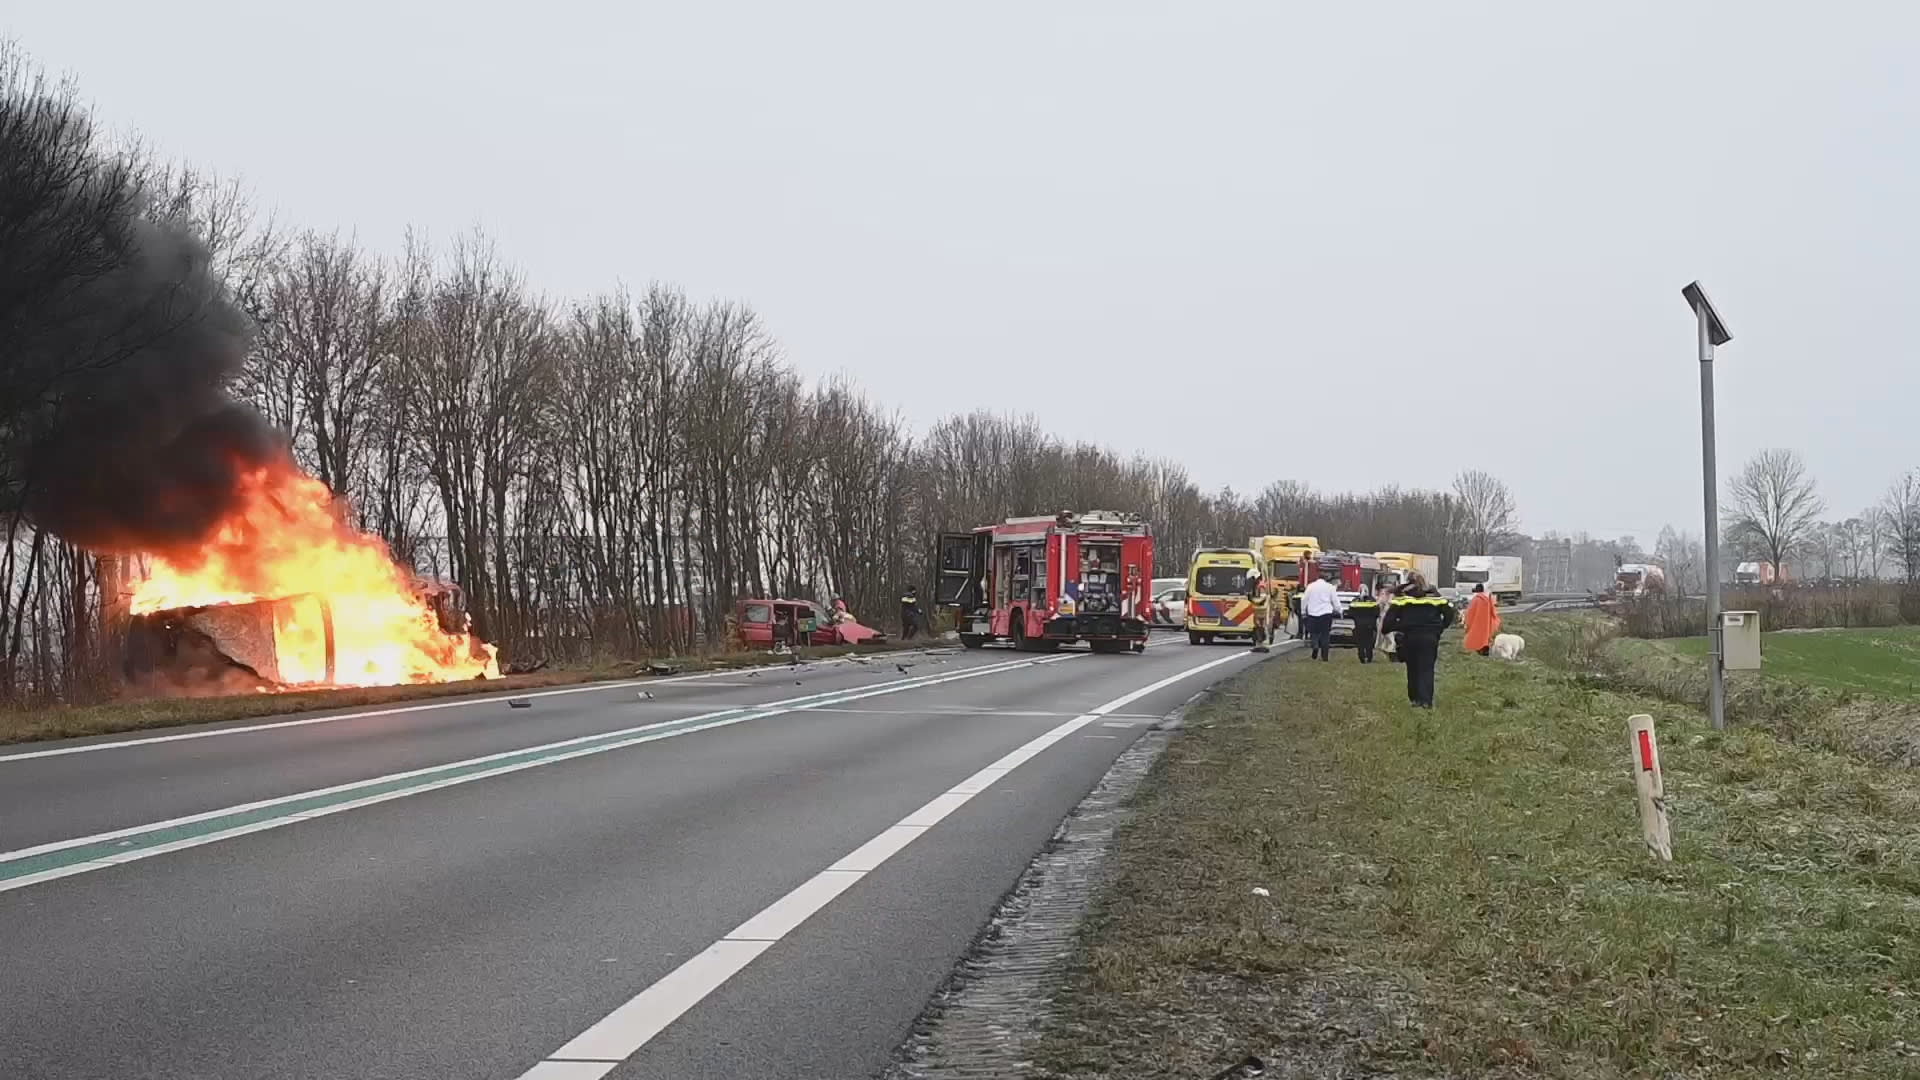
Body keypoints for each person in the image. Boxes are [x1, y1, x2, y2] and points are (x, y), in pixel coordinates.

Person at [1380, 571, 1457, 708]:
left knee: (1413, 668)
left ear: (1407, 581)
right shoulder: (1434, 595)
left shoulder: (1402, 596)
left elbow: (1389, 619)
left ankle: (1415, 699)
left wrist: (1395, 628)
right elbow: (1450, 613)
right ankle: (1426, 701)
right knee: (1427, 669)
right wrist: (1439, 628)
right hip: (1430, 637)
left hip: (1410, 637)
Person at [1300, 569, 1341, 661]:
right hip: (1326, 613)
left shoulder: (1310, 586)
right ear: (1326, 579)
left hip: (1313, 613)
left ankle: (1315, 645)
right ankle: (1325, 656)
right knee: (1325, 635)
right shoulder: (1330, 587)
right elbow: (1335, 600)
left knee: (1314, 633)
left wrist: (1303, 611)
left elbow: (1304, 599)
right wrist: (1339, 610)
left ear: (1317, 578)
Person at [1346, 584, 1382, 663]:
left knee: (1360, 642)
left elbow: (1350, 613)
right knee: (1369, 641)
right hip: (1369, 624)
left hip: (1359, 624)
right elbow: (1377, 612)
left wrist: (1356, 618)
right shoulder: (1372, 600)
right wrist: (1372, 620)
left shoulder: (1355, 600)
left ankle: (1361, 657)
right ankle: (1369, 657)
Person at [1462, 583, 1501, 656]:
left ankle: (1479, 653)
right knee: (1485, 640)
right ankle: (1486, 653)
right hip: (1487, 625)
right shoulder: (1489, 599)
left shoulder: (1475, 600)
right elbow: (1494, 613)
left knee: (1477, 640)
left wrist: (1468, 624)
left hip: (1476, 625)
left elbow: (1470, 613)